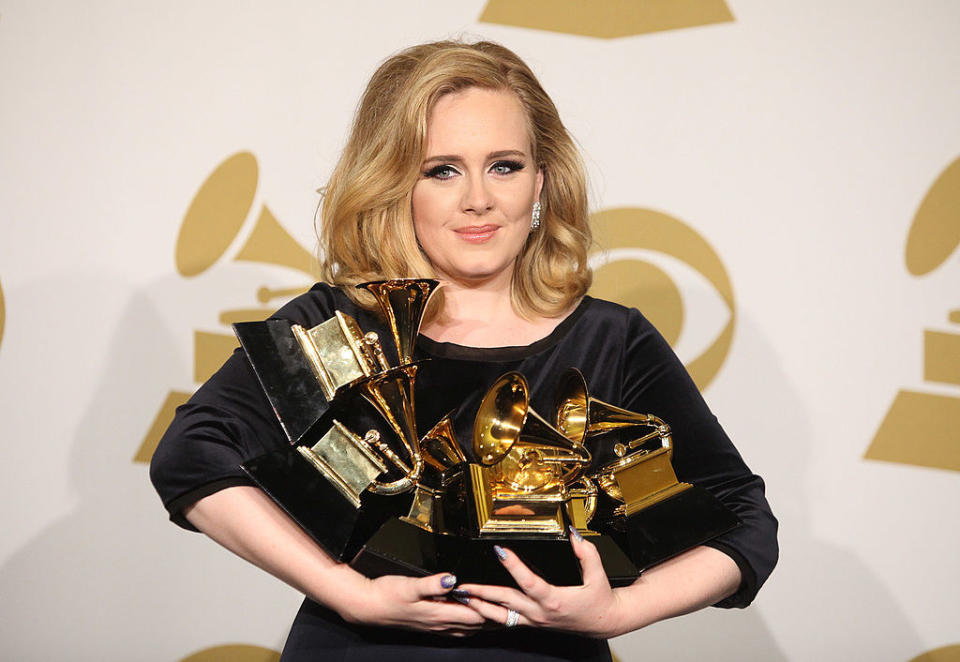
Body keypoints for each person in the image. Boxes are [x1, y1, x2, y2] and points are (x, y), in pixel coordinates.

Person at [150, 40, 778, 661]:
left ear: (542, 181)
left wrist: (617, 611)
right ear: (396, 185)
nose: (478, 198)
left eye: (504, 165)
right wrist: (347, 592)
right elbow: (191, 456)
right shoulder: (341, 324)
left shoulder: (613, 339)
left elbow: (745, 522)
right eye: (441, 169)